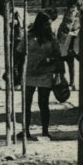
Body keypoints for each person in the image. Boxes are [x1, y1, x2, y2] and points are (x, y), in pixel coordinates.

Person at [22, 11, 62, 141]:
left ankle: (45, 131)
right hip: (29, 73)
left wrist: (50, 62)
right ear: (39, 24)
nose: (49, 27)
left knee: (43, 103)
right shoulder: (28, 37)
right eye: (46, 25)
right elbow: (19, 52)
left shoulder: (53, 38)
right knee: (26, 103)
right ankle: (25, 131)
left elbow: (58, 56)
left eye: (50, 24)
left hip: (45, 73)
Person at [56, 7, 80, 90]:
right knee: (60, 67)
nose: (71, 15)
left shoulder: (76, 23)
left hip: (69, 48)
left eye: (73, 13)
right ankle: (60, 81)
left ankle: (72, 83)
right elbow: (60, 36)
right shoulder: (62, 24)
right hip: (62, 48)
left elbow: (75, 35)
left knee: (71, 67)